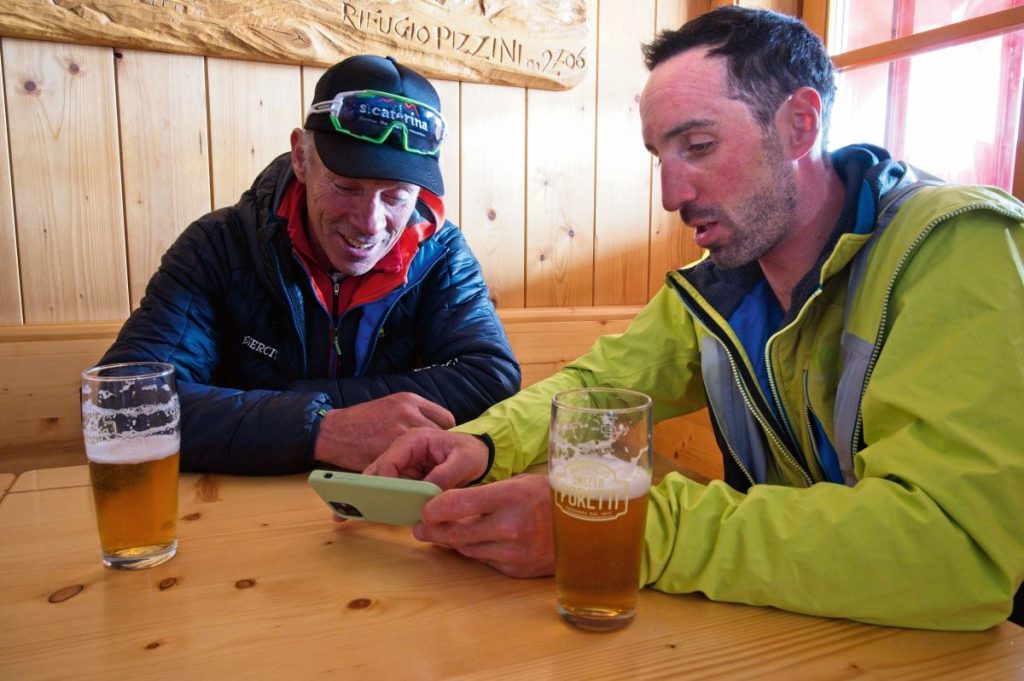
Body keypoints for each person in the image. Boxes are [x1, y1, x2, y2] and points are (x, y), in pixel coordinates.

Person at [364, 7, 1024, 630]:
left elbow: (957, 550)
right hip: (801, 629)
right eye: (660, 157)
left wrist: (617, 529)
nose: (671, 195)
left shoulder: (957, 244)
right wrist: (482, 443)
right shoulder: (722, 283)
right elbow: (600, 384)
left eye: (699, 145)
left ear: (799, 124)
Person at [101, 55, 520, 475]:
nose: (370, 222)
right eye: (346, 186)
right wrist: (322, 428)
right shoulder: (216, 247)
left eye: (395, 196)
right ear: (301, 157)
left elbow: (490, 377)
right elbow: (124, 405)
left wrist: (291, 402)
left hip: (384, 513)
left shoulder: (441, 254)